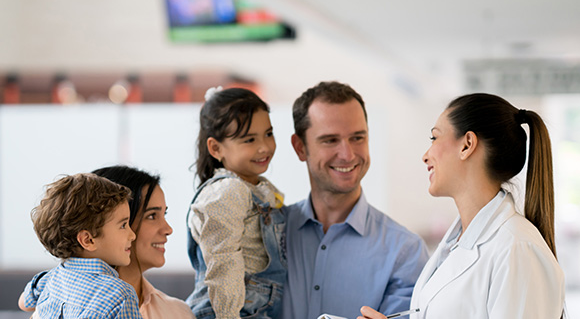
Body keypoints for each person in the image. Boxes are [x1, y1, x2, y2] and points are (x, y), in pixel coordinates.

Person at [358, 93, 565, 319]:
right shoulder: (458, 243)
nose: (426, 156)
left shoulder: (517, 248)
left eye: (434, 138)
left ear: (467, 145)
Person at [282, 81, 430, 319]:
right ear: (300, 147)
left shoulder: (405, 252)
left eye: (357, 138)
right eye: (330, 140)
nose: (348, 154)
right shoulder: (267, 232)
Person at [186, 87, 286, 318]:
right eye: (249, 139)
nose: (264, 147)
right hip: (228, 312)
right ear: (216, 148)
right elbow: (223, 264)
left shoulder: (258, 188)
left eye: (268, 134)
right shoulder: (229, 191)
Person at [18, 173, 143, 319]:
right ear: (88, 240)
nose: (132, 235)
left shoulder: (51, 278)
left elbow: (23, 303)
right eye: (123, 225)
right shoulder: (120, 296)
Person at [92, 165, 195, 319]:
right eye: (152, 216)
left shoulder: (178, 313)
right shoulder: (59, 307)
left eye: (164, 214)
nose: (168, 229)